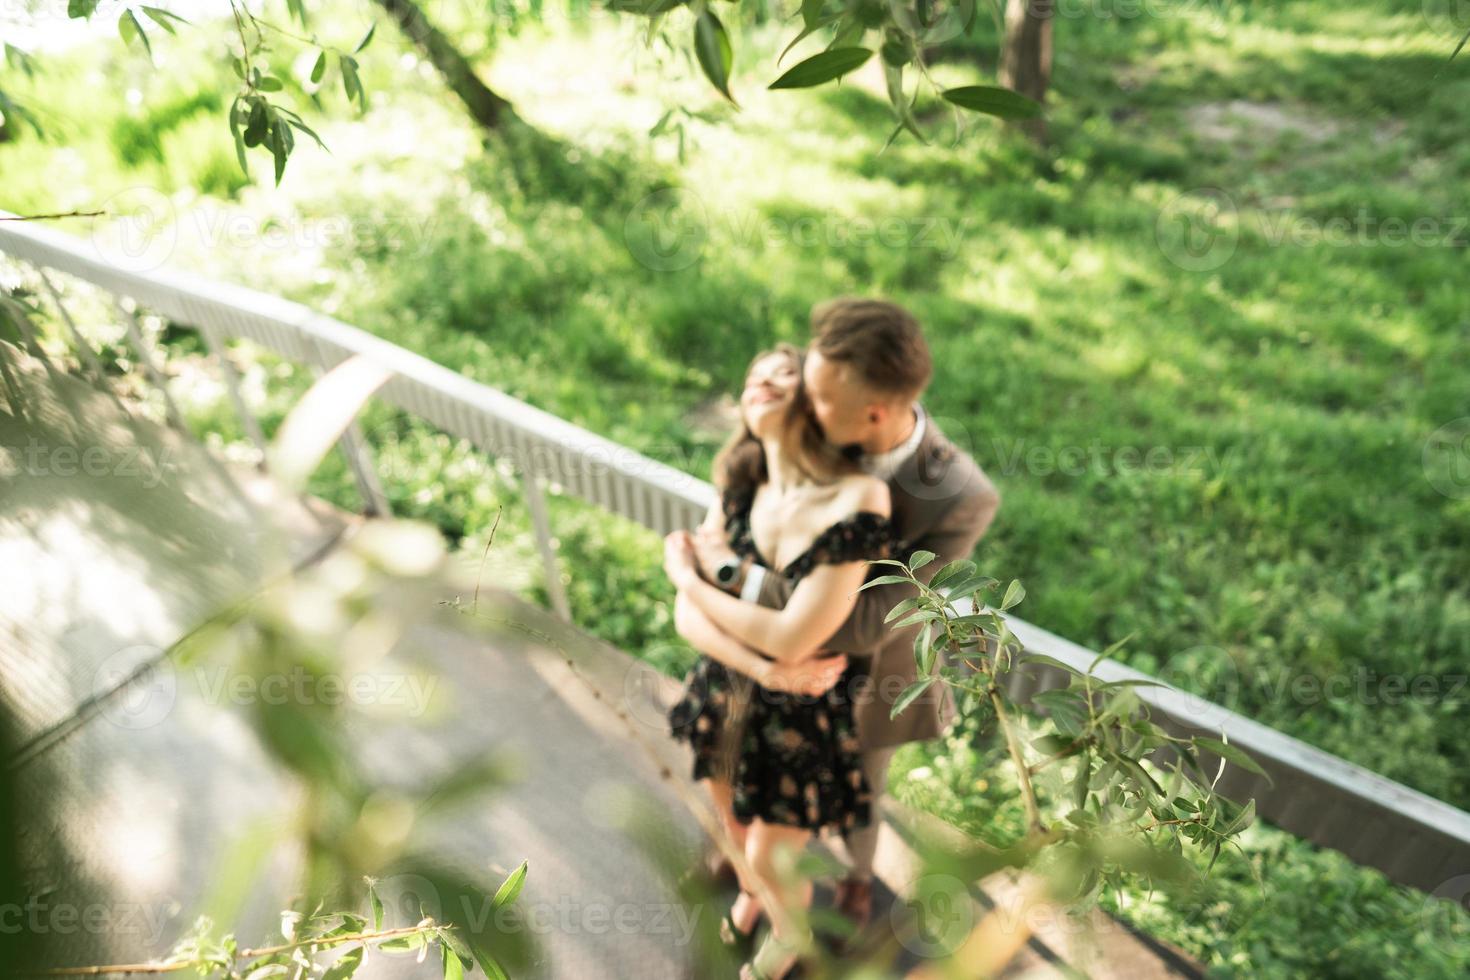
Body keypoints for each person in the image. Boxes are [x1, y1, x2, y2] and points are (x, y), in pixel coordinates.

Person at [689, 298, 1001, 938]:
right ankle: (750, 869)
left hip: (874, 677)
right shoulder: (819, 418)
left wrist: (730, 572)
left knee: (862, 790)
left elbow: (863, 624)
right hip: (771, 662)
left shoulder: (960, 498)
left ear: (876, 414)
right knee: (744, 765)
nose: (805, 404)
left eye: (820, 398)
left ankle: (857, 882)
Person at [664, 342, 896, 980]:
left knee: (774, 856)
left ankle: (786, 946)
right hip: (728, 689)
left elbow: (794, 638)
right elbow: (689, 617)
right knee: (736, 833)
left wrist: (692, 576)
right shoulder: (738, 483)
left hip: (805, 709)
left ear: (814, 400)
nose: (761, 383)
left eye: (782, 375)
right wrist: (698, 594)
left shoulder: (850, 501)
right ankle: (747, 897)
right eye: (752, 376)